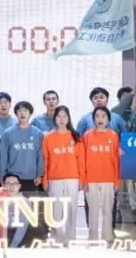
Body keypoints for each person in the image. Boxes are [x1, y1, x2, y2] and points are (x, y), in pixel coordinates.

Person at [41, 105, 82, 245]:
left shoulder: (75, 136)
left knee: (72, 208)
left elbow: (81, 160)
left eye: (65, 116)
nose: (62, 119)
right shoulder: (48, 137)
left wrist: (81, 179)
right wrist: (45, 179)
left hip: (73, 178)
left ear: (69, 118)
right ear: (54, 118)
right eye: (59, 116)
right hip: (55, 178)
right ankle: (58, 237)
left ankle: (70, 238)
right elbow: (45, 160)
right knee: (56, 209)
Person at [81, 105, 120, 243]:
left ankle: (107, 236)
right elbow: (83, 159)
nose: (100, 119)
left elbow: (116, 160)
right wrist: (83, 179)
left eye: (103, 116)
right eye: (97, 116)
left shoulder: (113, 136)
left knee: (107, 210)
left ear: (108, 119)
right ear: (93, 119)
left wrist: (117, 181)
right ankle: (92, 237)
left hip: (109, 179)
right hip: (91, 179)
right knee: (92, 210)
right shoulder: (87, 136)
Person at [0, 101, 44, 190]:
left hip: (32, 177)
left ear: (30, 114)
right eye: (19, 111)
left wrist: (39, 175)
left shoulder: (38, 133)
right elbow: (3, 156)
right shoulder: (7, 133)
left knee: (29, 199)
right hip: (12, 178)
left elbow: (40, 156)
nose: (22, 113)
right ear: (16, 114)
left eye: (25, 111)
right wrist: (2, 175)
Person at [0, 173, 47, 248]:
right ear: (3, 186)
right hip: (5, 232)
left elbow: (22, 226)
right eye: (8, 183)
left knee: (35, 227)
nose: (12, 186)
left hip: (20, 234)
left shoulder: (24, 201)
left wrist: (13, 245)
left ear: (19, 186)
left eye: (15, 183)